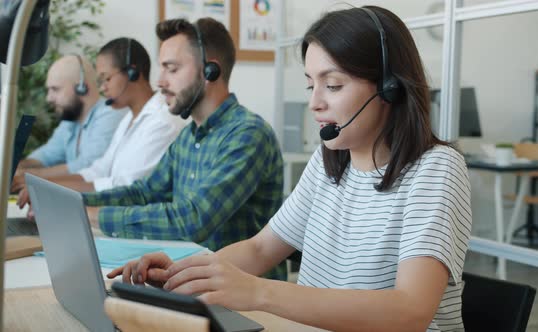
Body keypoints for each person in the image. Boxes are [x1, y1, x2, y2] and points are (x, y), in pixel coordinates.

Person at [108, 6, 472, 332]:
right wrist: (181, 272)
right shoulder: (330, 161)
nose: (314, 103)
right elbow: (261, 249)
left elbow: (410, 312)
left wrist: (259, 291)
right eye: (311, 85)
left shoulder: (435, 169)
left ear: (390, 88)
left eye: (332, 85)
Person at [84, 18, 286, 279]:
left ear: (210, 71)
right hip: (193, 280)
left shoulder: (247, 134)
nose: (160, 81)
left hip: (242, 299)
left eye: (172, 69)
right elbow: (146, 193)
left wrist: (96, 216)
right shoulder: (189, 136)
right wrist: (77, 203)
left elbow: (194, 219)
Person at [14, 38, 187, 203]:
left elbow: (126, 187)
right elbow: (99, 170)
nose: (102, 87)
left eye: (107, 78)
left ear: (132, 73)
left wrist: (50, 187)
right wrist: (43, 184)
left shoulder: (162, 122)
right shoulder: (128, 119)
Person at [11, 55, 125, 192]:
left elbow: (88, 166)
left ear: (82, 88)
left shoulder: (109, 113)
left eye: (55, 89)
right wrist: (15, 168)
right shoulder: (70, 122)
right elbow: (46, 155)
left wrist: (29, 176)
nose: (49, 98)